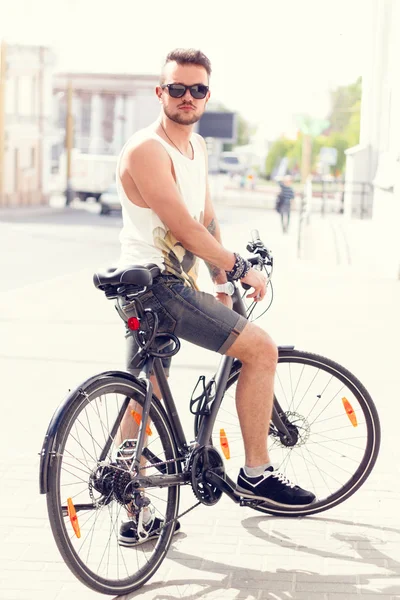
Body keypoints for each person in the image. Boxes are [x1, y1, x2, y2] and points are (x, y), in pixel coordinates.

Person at [115, 48, 315, 546]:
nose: (187, 97)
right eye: (177, 89)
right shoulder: (147, 149)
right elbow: (181, 226)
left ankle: (133, 506)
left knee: (146, 390)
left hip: (154, 285)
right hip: (159, 284)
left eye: (197, 89)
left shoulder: (196, 147)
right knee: (261, 348)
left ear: (208, 94)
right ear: (160, 93)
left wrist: (224, 284)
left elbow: (204, 219)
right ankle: (257, 474)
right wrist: (238, 266)